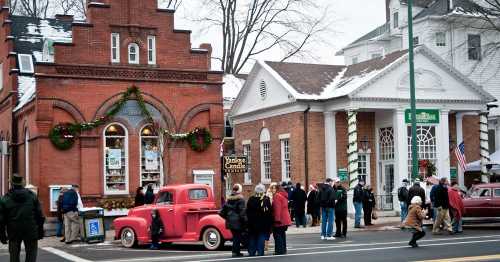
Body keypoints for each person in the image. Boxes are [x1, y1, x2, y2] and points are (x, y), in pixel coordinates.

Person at [0, 174, 45, 262]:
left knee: (14, 255)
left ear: (12, 184)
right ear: (22, 183)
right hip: (30, 229)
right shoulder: (32, 196)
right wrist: (40, 231)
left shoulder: (5, 198)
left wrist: (2, 236)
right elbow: (40, 216)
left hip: (13, 231)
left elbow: (1, 220)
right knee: (31, 254)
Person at [220, 184, 247, 258]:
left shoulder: (228, 199)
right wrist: (245, 222)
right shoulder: (241, 199)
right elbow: (242, 212)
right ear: (240, 190)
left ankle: (236, 251)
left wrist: (227, 217)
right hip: (237, 221)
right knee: (237, 237)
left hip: (230, 221)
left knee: (235, 236)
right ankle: (235, 252)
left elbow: (222, 212)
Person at [246, 184, 273, 257]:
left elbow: (247, 211)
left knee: (252, 237)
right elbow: (269, 212)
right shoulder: (266, 199)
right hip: (263, 223)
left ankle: (252, 252)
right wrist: (270, 223)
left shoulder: (251, 199)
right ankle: (260, 252)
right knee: (261, 237)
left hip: (252, 223)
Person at [271, 183, 292, 255]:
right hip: (285, 218)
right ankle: (283, 249)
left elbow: (277, 209)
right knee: (282, 234)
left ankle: (279, 250)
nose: (272, 190)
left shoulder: (277, 196)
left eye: (273, 188)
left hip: (280, 219)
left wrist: (277, 219)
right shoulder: (283, 195)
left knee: (277, 235)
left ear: (276, 189)